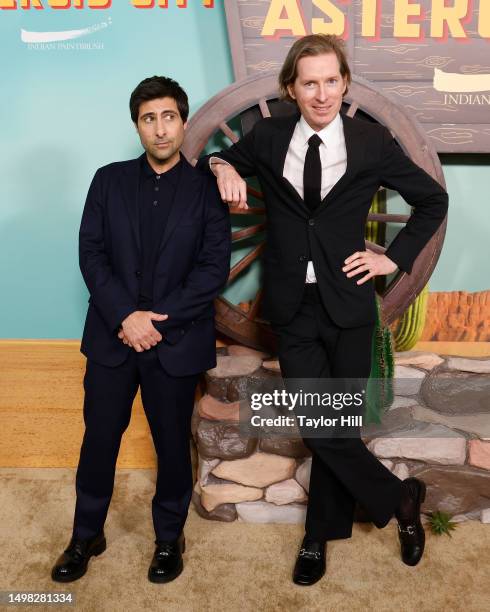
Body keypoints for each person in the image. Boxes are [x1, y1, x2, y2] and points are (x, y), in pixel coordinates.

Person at [197, 34, 448, 585]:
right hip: (292, 304)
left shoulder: (371, 141)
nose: (321, 93)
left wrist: (393, 262)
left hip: (350, 304)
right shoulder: (265, 135)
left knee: (335, 422)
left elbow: (433, 200)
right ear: (292, 87)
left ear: (344, 83)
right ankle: (402, 499)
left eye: (331, 80)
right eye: (309, 82)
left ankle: (318, 535)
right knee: (319, 426)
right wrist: (221, 165)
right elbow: (212, 159)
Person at [51, 76, 231, 584]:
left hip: (174, 342)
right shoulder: (107, 180)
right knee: (99, 440)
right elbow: (92, 253)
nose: (160, 128)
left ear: (183, 121)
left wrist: (157, 321)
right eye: (149, 118)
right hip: (113, 337)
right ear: (137, 125)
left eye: (169, 116)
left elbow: (213, 268)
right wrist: (125, 317)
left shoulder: (206, 188)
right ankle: (86, 534)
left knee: (172, 445)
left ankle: (168, 540)